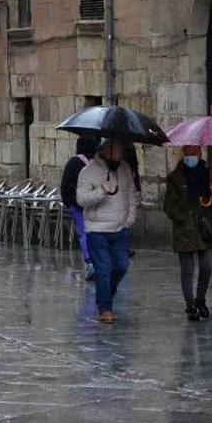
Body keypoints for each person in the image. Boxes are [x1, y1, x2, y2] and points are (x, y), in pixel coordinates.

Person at [76, 138, 138, 323]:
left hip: (119, 228)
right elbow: (81, 199)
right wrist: (100, 192)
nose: (117, 156)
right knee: (103, 269)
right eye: (114, 152)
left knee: (121, 266)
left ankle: (106, 295)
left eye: (120, 152)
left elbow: (131, 194)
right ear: (105, 152)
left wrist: (130, 218)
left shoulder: (125, 169)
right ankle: (105, 309)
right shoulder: (88, 172)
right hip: (97, 230)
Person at [164, 145, 212, 321]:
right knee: (187, 269)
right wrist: (183, 217)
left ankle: (200, 298)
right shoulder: (175, 178)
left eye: (194, 154)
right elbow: (169, 206)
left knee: (207, 265)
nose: (191, 157)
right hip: (185, 229)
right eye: (188, 154)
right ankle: (190, 305)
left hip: (204, 229)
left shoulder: (207, 174)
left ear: (200, 154)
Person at [60, 135, 100, 281]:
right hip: (95, 205)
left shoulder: (73, 163)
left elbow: (64, 186)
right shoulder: (97, 163)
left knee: (83, 234)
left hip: (77, 206)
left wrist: (69, 203)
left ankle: (89, 265)